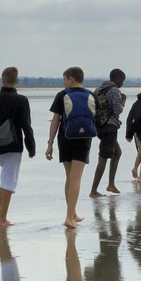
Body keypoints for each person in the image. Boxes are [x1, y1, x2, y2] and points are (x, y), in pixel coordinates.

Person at [0, 66, 37, 226]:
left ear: (2, 79)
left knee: (6, 177)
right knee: (10, 180)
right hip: (13, 145)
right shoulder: (21, 100)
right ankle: (2, 218)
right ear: (16, 81)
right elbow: (26, 125)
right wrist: (31, 146)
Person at [45, 66, 95, 229]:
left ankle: (72, 213)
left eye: (64, 79)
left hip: (65, 137)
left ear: (71, 79)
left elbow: (55, 120)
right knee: (76, 178)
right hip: (84, 138)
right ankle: (69, 216)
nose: (63, 82)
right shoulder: (91, 95)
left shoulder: (62, 95)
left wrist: (50, 143)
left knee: (70, 177)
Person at [88, 69, 127, 198]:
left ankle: (111, 184)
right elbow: (117, 110)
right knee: (103, 157)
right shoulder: (115, 90)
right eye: (122, 80)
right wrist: (123, 100)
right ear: (117, 78)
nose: (122, 83)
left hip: (99, 126)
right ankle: (94, 190)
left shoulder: (98, 89)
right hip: (110, 126)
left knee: (117, 152)